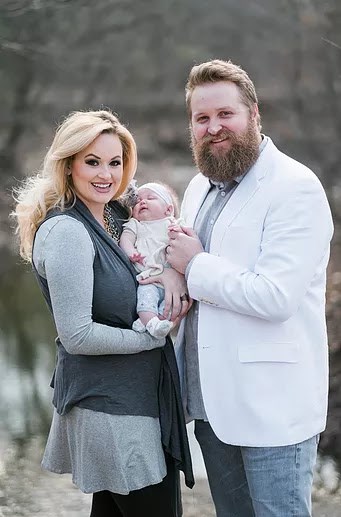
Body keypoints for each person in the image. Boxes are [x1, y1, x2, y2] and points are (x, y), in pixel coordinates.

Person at [166, 59, 334, 516]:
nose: (213, 128)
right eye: (202, 119)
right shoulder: (200, 186)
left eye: (226, 115)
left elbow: (275, 296)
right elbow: (185, 270)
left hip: (272, 407)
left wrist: (195, 265)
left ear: (254, 113)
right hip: (209, 405)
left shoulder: (295, 188)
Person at [12, 109, 194, 517]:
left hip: (137, 400)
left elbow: (155, 251)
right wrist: (151, 336)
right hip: (109, 407)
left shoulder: (115, 216)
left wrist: (174, 278)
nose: (105, 174)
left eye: (115, 162)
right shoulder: (67, 233)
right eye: (92, 161)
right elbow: (77, 335)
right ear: (68, 164)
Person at [120, 182, 181, 339]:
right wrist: (132, 252)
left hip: (172, 278)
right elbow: (125, 239)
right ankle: (151, 323)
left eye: (150, 198)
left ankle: (152, 323)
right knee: (146, 300)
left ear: (168, 209)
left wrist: (178, 233)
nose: (142, 202)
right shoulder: (137, 225)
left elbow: (184, 244)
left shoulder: (172, 224)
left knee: (171, 306)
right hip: (149, 277)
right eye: (138, 200)